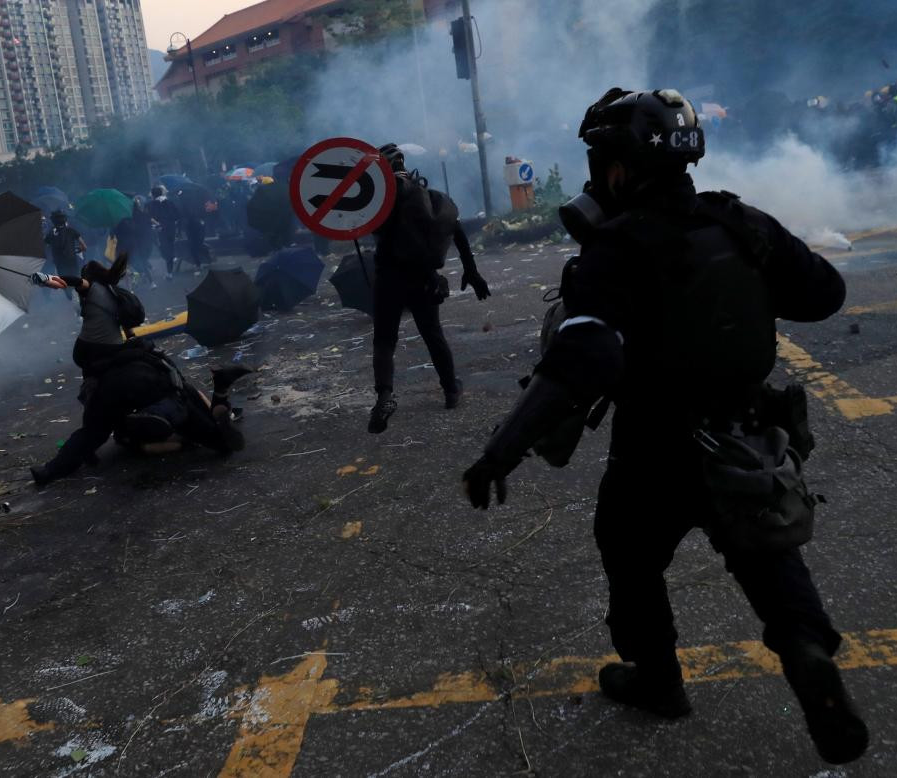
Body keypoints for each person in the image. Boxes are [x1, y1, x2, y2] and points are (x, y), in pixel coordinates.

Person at [461, 88, 867, 765]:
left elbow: (580, 361)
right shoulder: (741, 223)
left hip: (653, 448)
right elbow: (824, 295)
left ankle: (658, 681)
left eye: (598, 162)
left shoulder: (614, 251)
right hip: (742, 436)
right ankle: (805, 654)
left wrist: (501, 451)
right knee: (767, 556)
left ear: (618, 169)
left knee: (630, 558)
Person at [367, 142, 490, 433]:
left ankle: (385, 394)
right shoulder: (423, 193)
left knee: (384, 341)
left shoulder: (377, 202)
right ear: (402, 163)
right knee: (433, 336)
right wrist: (471, 272)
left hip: (388, 279)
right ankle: (450, 390)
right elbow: (455, 229)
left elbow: (357, 226)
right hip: (422, 278)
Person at [28, 347, 252, 487]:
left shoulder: (88, 344)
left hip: (115, 394)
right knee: (214, 435)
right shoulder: (121, 316)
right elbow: (185, 390)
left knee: (100, 435)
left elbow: (90, 433)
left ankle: (49, 470)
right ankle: (220, 392)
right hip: (156, 382)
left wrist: (79, 457)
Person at [37, 253, 134, 372]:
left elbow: (75, 281)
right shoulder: (118, 293)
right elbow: (129, 332)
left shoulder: (92, 288)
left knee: (87, 371)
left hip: (87, 349)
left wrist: (46, 279)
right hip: (115, 347)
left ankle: (89, 386)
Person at [114, 197, 156, 289]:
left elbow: (114, 233)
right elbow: (140, 229)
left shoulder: (119, 220)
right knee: (140, 261)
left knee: (126, 265)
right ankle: (151, 282)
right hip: (135, 243)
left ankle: (131, 286)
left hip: (123, 245)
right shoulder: (138, 215)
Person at [44, 211, 86, 300]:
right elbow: (84, 247)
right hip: (72, 260)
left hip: (59, 262)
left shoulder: (51, 233)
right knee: (76, 278)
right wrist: (78, 249)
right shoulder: (71, 231)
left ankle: (70, 297)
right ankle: (80, 298)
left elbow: (45, 246)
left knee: (64, 281)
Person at [149, 185, 180, 280]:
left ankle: (170, 270)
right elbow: (177, 215)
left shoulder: (151, 204)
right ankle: (171, 266)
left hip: (160, 229)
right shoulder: (170, 202)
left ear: (153, 195)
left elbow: (150, 217)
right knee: (170, 246)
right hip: (171, 228)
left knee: (165, 249)